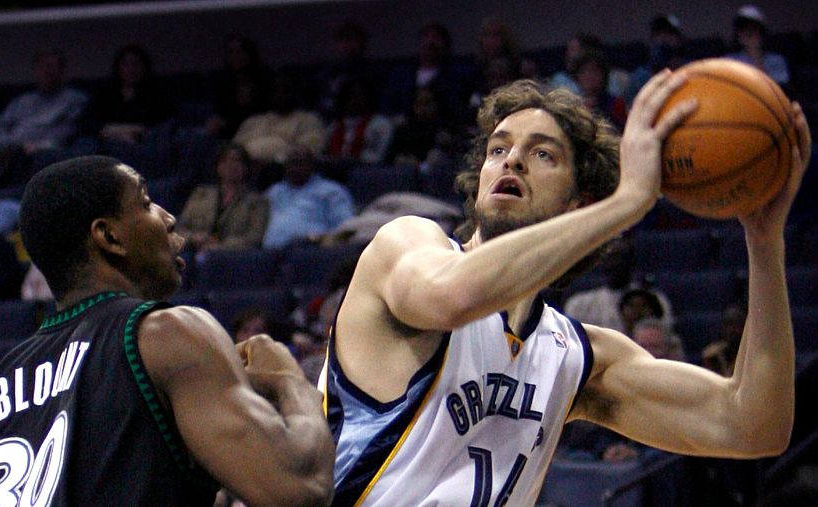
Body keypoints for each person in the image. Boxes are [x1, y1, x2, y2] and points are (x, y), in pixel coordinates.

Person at [320, 73, 810, 506]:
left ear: (579, 203)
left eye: (541, 153)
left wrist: (764, 243)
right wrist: (628, 203)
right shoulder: (406, 243)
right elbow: (454, 298)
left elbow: (753, 426)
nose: (511, 160)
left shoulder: (575, 357)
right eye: (498, 148)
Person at [0, 156, 334, 506]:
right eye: (146, 203)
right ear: (109, 236)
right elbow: (297, 490)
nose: (168, 218)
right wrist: (289, 381)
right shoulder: (165, 332)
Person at [0, 49, 88, 154]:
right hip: (10, 149)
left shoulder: (75, 99)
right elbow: (0, 128)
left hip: (42, 152)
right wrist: (12, 145)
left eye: (51, 67)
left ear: (61, 71)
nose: (46, 71)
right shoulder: (22, 100)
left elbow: (67, 132)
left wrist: (39, 146)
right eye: (41, 67)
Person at [176, 143, 269, 252]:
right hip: (193, 248)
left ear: (246, 167)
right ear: (218, 166)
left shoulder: (257, 202)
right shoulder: (201, 194)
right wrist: (194, 238)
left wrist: (220, 246)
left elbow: (254, 238)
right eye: (225, 161)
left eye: (236, 161)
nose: (230, 165)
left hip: (229, 255)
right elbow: (180, 228)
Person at [262, 145, 354, 249]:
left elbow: (345, 228)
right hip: (271, 253)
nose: (294, 168)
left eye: (300, 163)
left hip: (310, 252)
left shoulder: (331, 191)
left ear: (312, 165)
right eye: (291, 163)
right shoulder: (274, 191)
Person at [90, 44, 173, 144]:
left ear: (144, 67)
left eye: (136, 64)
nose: (131, 69)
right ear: (118, 68)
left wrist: (136, 131)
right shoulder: (105, 94)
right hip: (108, 143)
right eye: (126, 64)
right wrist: (117, 134)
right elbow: (91, 123)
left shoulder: (157, 94)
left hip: (146, 143)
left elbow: (160, 124)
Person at [725, 4, 789, 86]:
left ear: (762, 33)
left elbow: (777, 90)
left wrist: (755, 54)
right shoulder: (728, 61)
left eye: (753, 29)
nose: (748, 33)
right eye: (743, 29)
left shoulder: (777, 61)